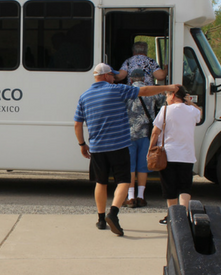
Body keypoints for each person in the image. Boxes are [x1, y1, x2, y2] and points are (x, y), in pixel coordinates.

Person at [74, 63, 178, 236]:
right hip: (119, 145)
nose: (115, 78)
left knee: (101, 182)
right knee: (123, 181)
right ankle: (113, 213)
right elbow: (143, 91)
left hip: (97, 147)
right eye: (113, 75)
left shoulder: (84, 97)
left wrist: (82, 144)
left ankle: (100, 219)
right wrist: (168, 87)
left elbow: (77, 124)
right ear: (106, 76)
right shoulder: (117, 90)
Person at [148, 85, 202, 224]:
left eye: (167, 95)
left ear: (172, 95)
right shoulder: (192, 111)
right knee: (184, 186)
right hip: (187, 155)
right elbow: (200, 111)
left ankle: (172, 216)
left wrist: (151, 148)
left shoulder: (165, 110)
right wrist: (188, 102)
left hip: (169, 154)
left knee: (169, 186)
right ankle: (183, 216)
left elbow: (156, 132)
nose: (166, 98)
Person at [125, 68, 166, 207]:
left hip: (128, 135)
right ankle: (141, 196)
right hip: (146, 134)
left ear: (131, 79)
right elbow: (164, 104)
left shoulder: (126, 92)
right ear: (144, 79)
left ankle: (130, 197)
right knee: (143, 166)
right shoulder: (152, 91)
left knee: (130, 167)